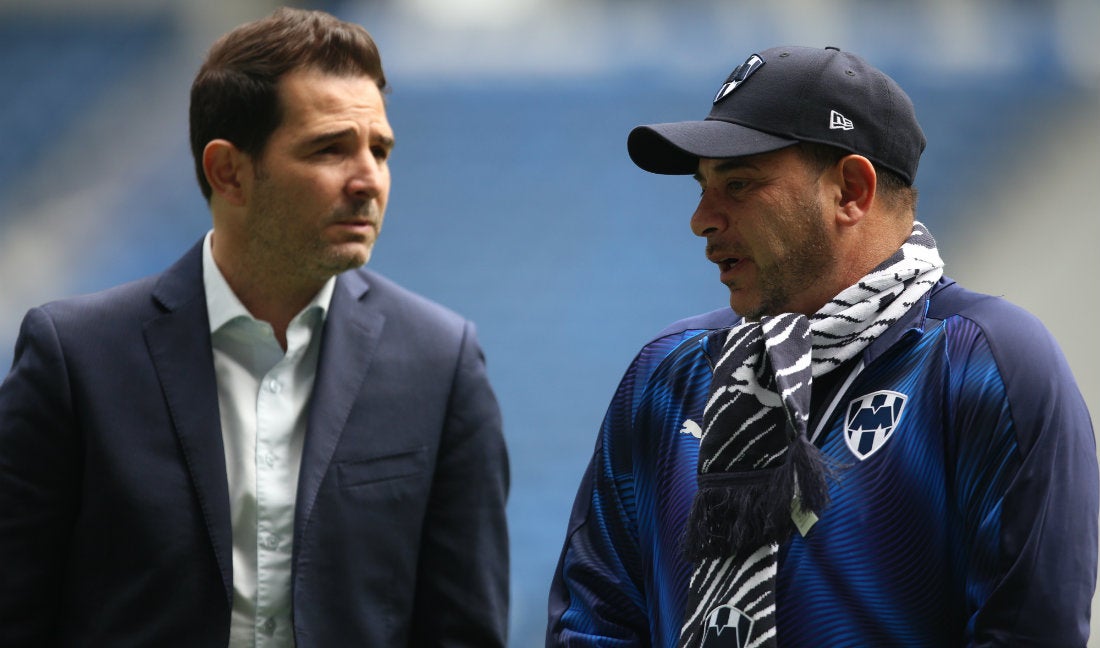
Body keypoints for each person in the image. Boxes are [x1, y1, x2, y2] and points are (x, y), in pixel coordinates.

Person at [547, 46, 1097, 647]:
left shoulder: (986, 364)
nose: (701, 218)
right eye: (703, 187)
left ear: (851, 191)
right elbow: (593, 627)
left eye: (739, 183)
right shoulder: (667, 374)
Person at [0, 8, 509, 647]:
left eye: (379, 149)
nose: (368, 180)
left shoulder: (442, 362)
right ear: (228, 172)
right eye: (330, 148)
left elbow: (463, 630)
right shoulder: (74, 359)